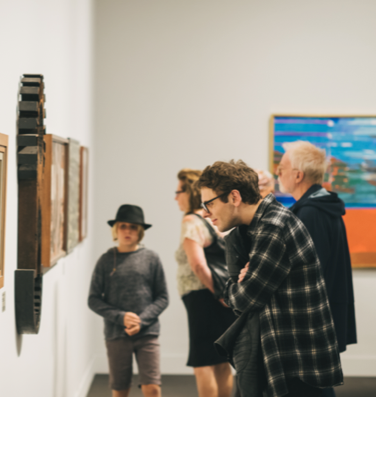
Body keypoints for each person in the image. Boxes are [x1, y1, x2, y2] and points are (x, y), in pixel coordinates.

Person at [198, 160, 343, 397]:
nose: (205, 213)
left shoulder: (273, 226)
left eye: (209, 203)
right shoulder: (259, 227)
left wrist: (235, 287)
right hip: (288, 354)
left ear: (234, 197)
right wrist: (240, 283)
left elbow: (245, 299)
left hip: (296, 361)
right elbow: (242, 295)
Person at [276, 141, 357, 397]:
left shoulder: (310, 214)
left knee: (308, 387)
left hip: (307, 323)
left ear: (298, 175)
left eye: (281, 168)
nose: (278, 173)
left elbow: (306, 274)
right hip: (318, 319)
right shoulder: (321, 208)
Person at [88, 204, 169, 397]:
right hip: (116, 334)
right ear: (116, 229)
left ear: (140, 231)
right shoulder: (106, 260)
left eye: (133, 227)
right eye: (123, 226)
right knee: (120, 389)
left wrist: (141, 320)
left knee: (152, 388)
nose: (127, 231)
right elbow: (93, 299)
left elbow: (163, 297)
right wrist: (121, 317)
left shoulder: (151, 258)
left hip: (147, 332)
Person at [174, 169, 236, 397]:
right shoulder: (209, 219)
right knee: (220, 359)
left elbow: (198, 265)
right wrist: (222, 294)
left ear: (190, 192)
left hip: (202, 297)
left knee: (202, 361)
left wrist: (217, 293)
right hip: (216, 296)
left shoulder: (191, 221)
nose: (175, 197)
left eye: (178, 191)